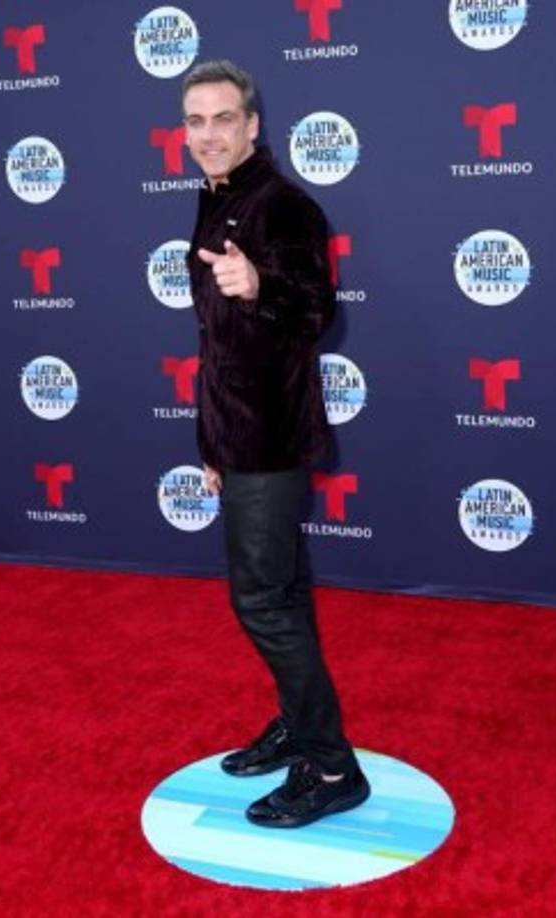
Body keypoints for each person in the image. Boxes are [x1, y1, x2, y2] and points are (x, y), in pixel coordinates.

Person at [183, 59, 369, 828]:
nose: (208, 135)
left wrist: (262, 287)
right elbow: (218, 345)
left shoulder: (283, 206)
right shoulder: (218, 199)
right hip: (241, 437)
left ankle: (330, 766)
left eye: (223, 119)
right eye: (194, 121)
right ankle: (299, 725)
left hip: (269, 437)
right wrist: (211, 443)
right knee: (283, 593)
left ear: (253, 125)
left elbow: (315, 309)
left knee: (261, 601)